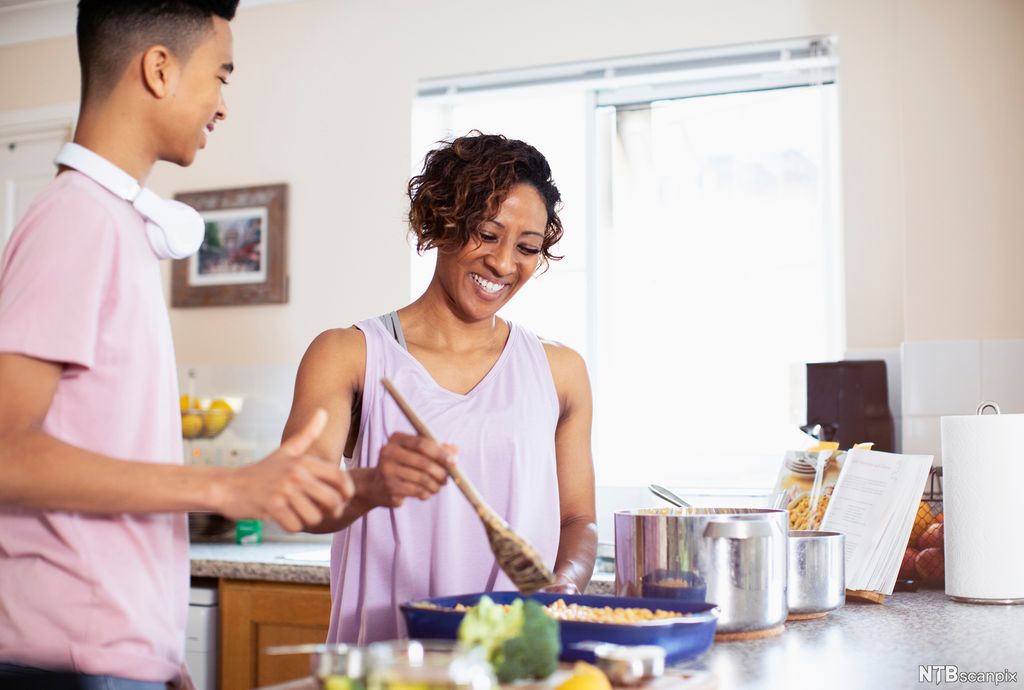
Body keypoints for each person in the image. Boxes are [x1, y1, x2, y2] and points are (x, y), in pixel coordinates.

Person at [0, 2, 353, 688]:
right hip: (70, 665)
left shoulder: (115, 223)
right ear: (159, 69)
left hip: (112, 658)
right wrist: (229, 485)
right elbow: (7, 451)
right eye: (220, 75)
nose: (223, 104)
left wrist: (154, 652)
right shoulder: (77, 221)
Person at [281, 132, 598, 644]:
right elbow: (297, 500)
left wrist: (563, 587)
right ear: (442, 220)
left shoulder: (559, 370)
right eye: (487, 234)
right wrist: (370, 486)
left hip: (516, 658)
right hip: (388, 660)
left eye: (527, 247)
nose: (503, 264)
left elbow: (578, 518)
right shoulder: (349, 354)